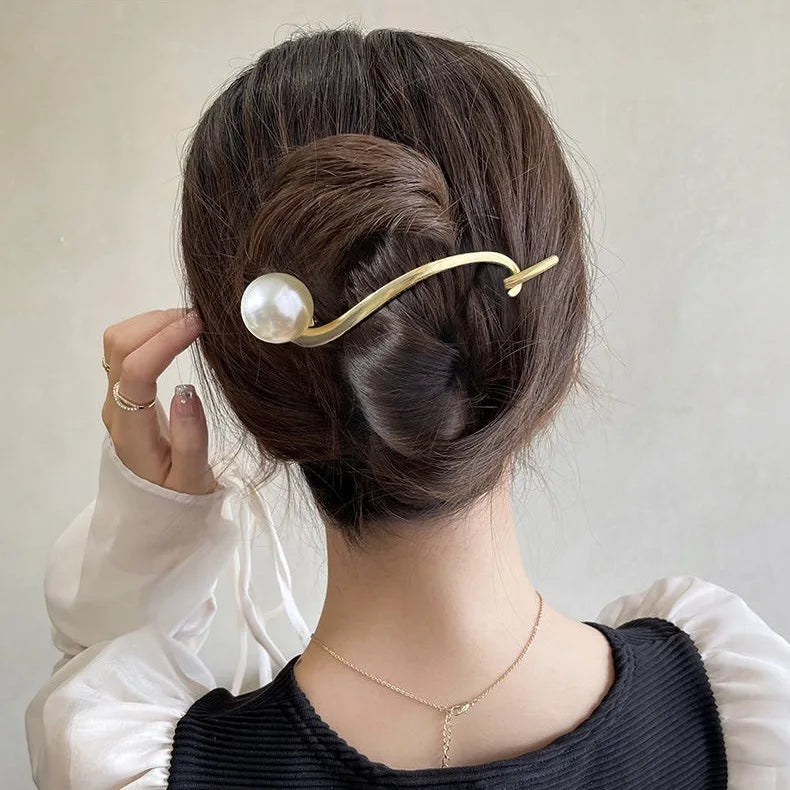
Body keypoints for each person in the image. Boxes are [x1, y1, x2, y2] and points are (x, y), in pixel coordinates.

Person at [26, 26, 789, 790]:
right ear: (554, 334)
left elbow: (100, 683)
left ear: (241, 366)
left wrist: (148, 538)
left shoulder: (134, 765)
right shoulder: (730, 711)